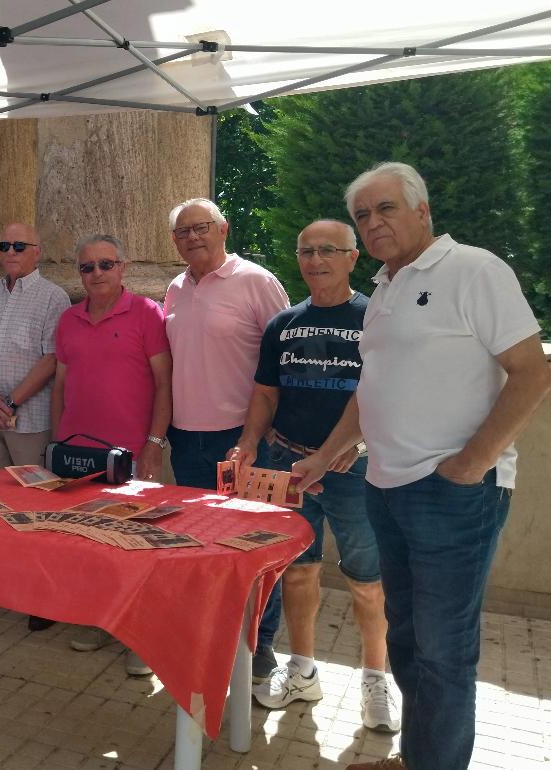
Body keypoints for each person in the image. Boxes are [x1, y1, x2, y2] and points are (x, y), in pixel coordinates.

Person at [291, 162, 551, 770]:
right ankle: (418, 759)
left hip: (450, 496)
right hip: (385, 489)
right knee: (408, 641)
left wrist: (471, 464)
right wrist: (326, 457)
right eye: (363, 214)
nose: (374, 222)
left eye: (386, 208)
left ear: (422, 210)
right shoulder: (386, 287)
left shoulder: (474, 270)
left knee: (442, 651)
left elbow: (534, 374)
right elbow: (371, 388)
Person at [228, 220, 398, 733]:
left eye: (328, 250)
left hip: (355, 469)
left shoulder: (376, 319)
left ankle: (375, 680)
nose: (315, 259)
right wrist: (251, 442)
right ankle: (302, 670)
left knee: (367, 582)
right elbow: (265, 393)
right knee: (298, 571)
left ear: (353, 257)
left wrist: (346, 447)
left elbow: (383, 394)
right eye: (306, 250)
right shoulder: (283, 323)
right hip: (287, 465)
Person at [162, 197, 289, 677]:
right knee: (197, 544)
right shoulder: (175, 288)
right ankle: (209, 636)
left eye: (201, 227)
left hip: (243, 438)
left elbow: (282, 362)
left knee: (251, 544)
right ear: (174, 243)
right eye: (183, 232)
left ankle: (262, 647)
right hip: (186, 438)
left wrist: (265, 433)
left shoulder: (256, 281)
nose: (193, 237)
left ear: (223, 229)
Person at [52, 234, 171, 675]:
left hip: (132, 454)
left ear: (123, 267)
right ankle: (102, 619)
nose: (96, 273)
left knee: (135, 545)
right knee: (92, 541)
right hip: (78, 455)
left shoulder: (145, 313)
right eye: (87, 267)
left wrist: (155, 445)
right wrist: (56, 443)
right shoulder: (68, 319)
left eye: (105, 264)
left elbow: (164, 383)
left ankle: (140, 635)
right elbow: (61, 385)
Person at [0, 222, 70, 630]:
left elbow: (51, 359)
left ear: (37, 251)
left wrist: (9, 401)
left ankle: (40, 596)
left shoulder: (52, 297)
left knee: (37, 508)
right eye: (4, 244)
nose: (10, 251)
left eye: (19, 245)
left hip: (30, 420)